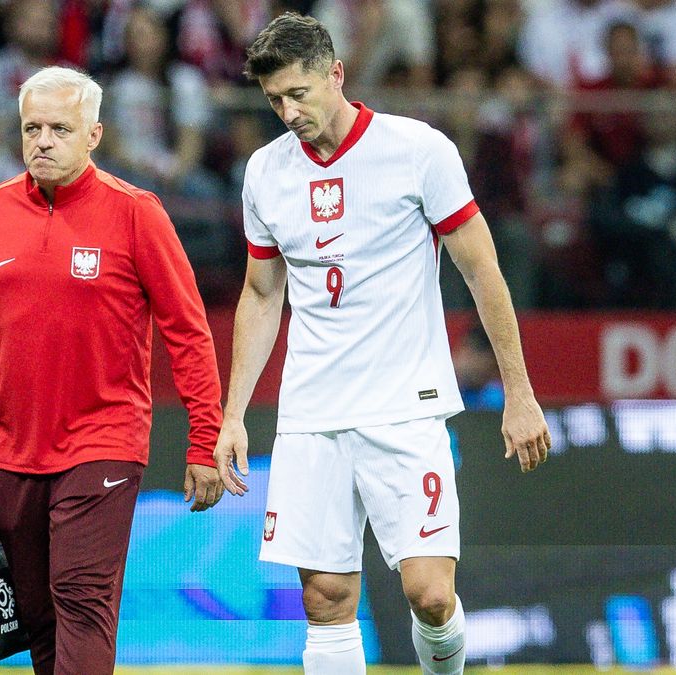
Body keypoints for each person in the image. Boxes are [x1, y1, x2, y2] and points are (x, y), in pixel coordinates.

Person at [213, 12, 551, 675]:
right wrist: (232, 414)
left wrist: (521, 391)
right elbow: (260, 293)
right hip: (312, 412)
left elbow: (483, 270)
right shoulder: (265, 173)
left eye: (298, 93)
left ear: (335, 74)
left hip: (406, 404)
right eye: (274, 99)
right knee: (327, 596)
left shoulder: (418, 150)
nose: (287, 112)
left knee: (430, 594)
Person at [0, 66, 224, 675]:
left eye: (59, 128)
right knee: (36, 612)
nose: (42, 141)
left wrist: (205, 440)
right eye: (32, 127)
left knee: (82, 600)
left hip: (103, 441)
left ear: (94, 135)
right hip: (12, 446)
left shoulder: (137, 213)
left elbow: (189, 332)